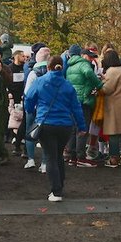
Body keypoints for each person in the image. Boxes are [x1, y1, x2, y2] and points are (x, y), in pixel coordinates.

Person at [24, 55, 86, 202]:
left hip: (46, 124)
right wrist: (82, 126)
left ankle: (56, 191)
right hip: (65, 126)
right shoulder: (68, 85)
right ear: (62, 67)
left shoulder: (40, 82)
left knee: (51, 156)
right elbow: (76, 108)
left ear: (48, 67)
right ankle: (60, 185)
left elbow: (28, 99)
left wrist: (31, 110)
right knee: (58, 155)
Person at [65, 45, 103, 166]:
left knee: (73, 128)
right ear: (83, 55)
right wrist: (99, 84)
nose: (91, 59)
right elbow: (87, 72)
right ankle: (81, 157)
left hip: (72, 100)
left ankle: (72, 156)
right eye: (90, 57)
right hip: (84, 100)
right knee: (82, 129)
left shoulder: (70, 66)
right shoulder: (84, 64)